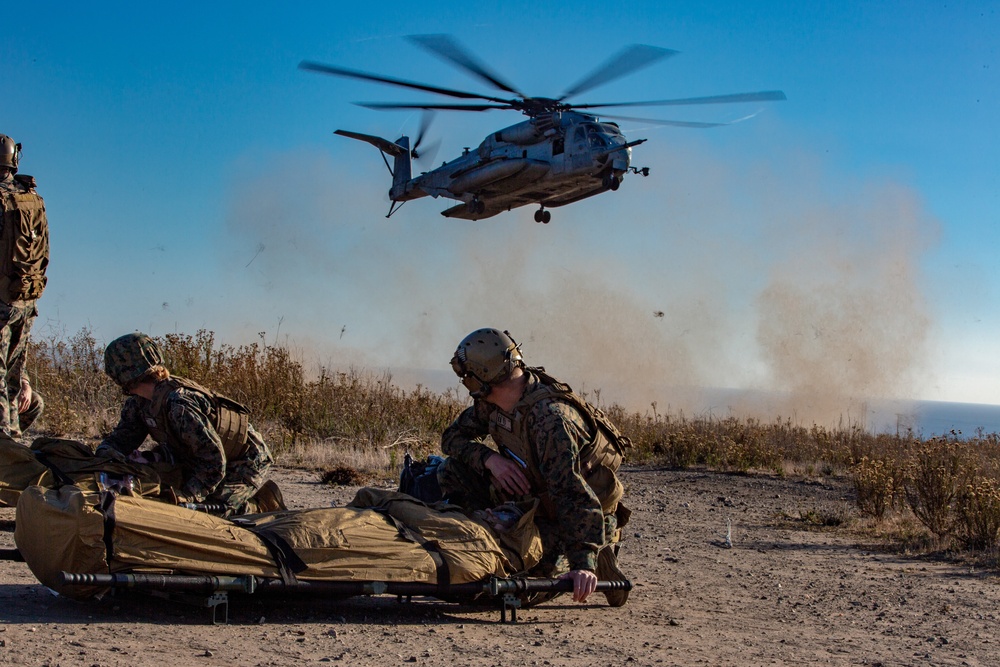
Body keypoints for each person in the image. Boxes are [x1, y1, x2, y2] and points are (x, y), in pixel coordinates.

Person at [438, 327, 631, 606]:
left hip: (570, 511)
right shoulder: (493, 403)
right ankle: (494, 534)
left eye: (468, 377)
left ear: (484, 375)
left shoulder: (550, 421)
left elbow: (572, 493)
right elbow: (452, 438)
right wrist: (491, 460)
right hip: (535, 493)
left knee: (506, 593)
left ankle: (596, 549)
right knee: (451, 470)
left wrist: (583, 564)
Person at [96, 332, 277, 515]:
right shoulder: (139, 403)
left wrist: (188, 496)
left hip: (245, 460)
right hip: (201, 457)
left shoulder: (179, 405)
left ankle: (262, 504)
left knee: (207, 514)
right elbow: (123, 439)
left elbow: (213, 461)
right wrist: (102, 457)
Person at [0, 134, 49, 439]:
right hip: (25, 299)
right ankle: (14, 445)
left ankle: (8, 454)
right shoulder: (32, 199)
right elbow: (44, 252)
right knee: (15, 380)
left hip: (1, 300)